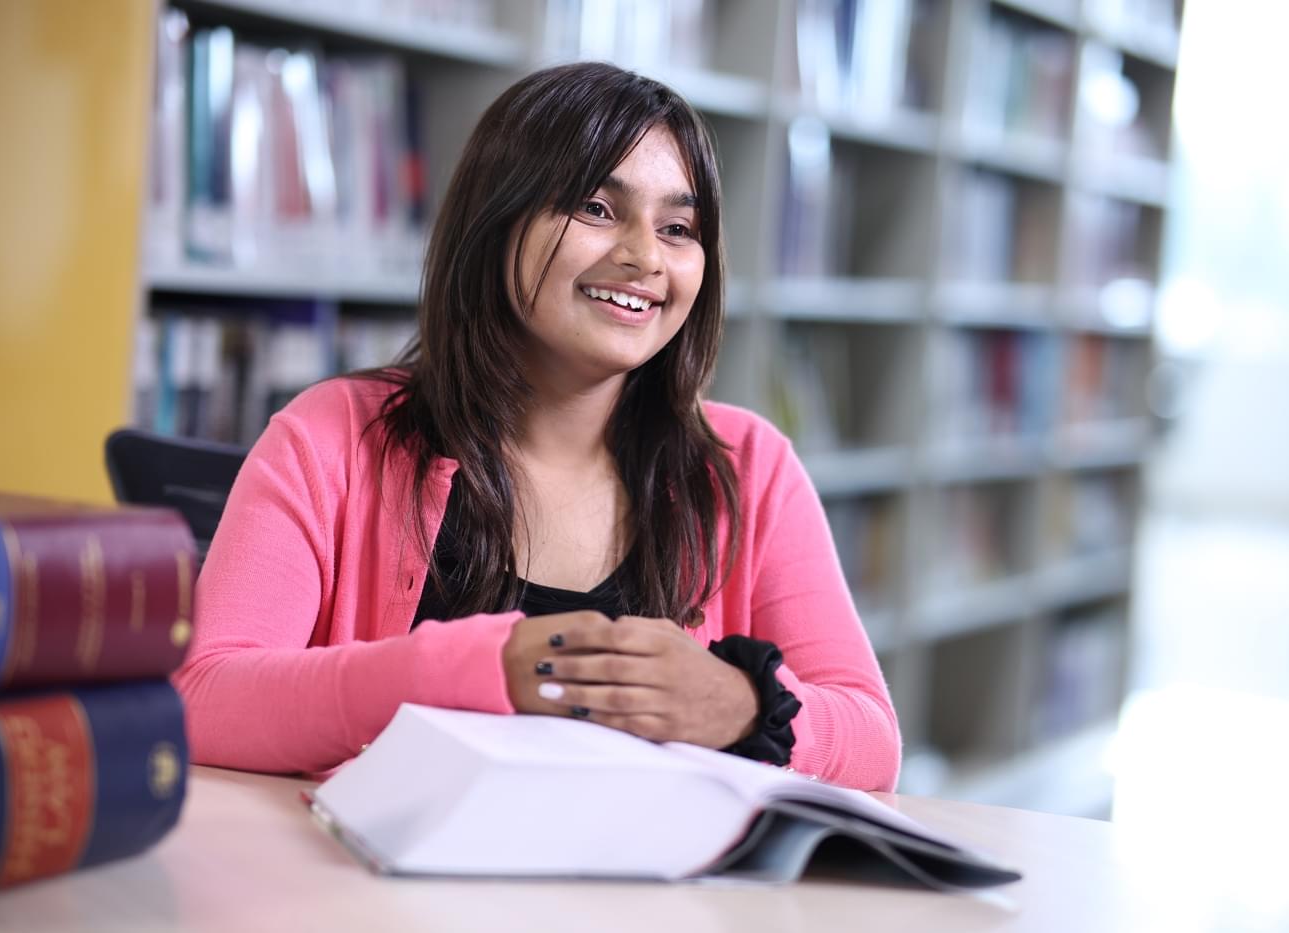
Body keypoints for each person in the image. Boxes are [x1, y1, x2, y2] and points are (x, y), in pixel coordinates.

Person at [174, 61, 900, 791]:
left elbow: (873, 738)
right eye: (595, 208)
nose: (645, 256)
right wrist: (474, 670)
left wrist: (740, 705)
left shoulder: (748, 466)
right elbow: (203, 694)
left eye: (678, 228)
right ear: (497, 221)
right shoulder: (333, 436)